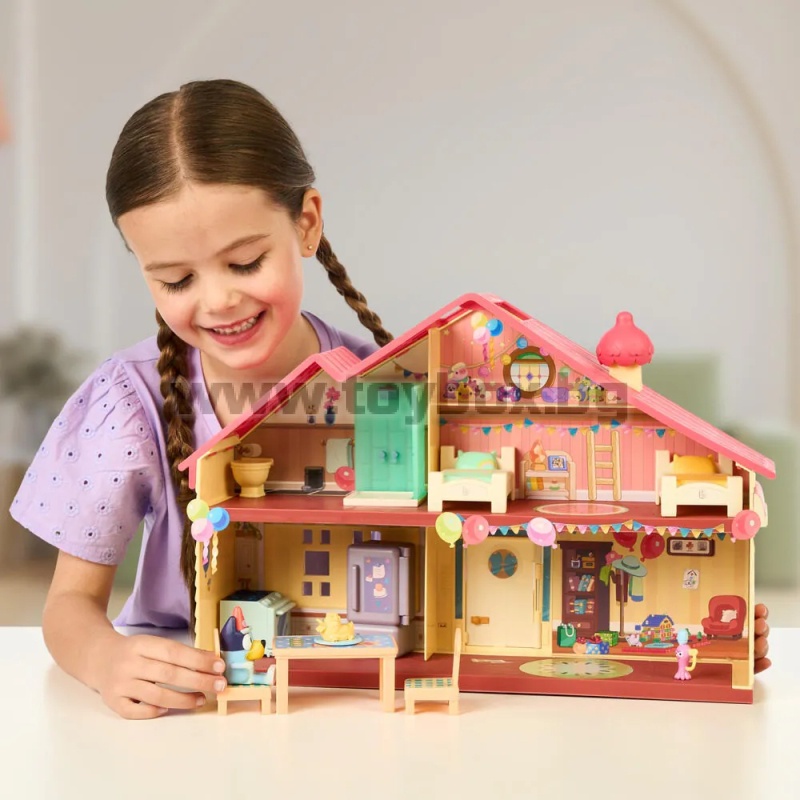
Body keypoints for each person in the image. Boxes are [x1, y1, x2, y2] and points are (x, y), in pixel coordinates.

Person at [8, 79, 770, 720]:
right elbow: (68, 607)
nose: (217, 300)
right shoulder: (129, 400)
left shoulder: (391, 386)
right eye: (175, 279)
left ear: (307, 223)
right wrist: (106, 659)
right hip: (196, 701)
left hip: (351, 701)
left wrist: (715, 628)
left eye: (244, 262)